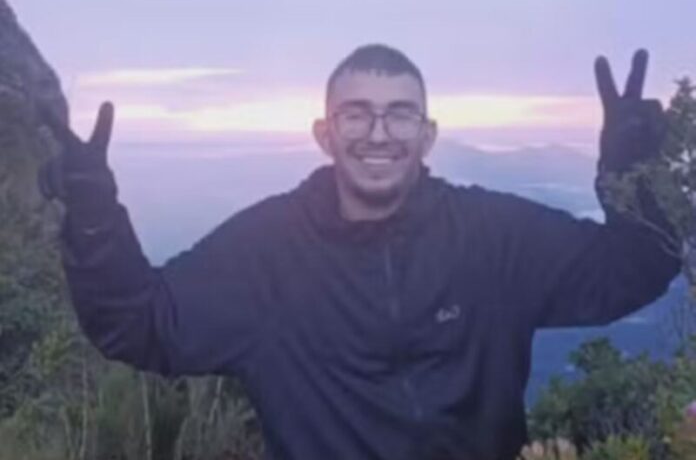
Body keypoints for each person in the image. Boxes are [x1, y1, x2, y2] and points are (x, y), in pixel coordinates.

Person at [37, 44, 680, 460]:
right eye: (356, 114)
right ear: (325, 133)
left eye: (400, 114)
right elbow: (139, 323)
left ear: (427, 134)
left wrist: (633, 178)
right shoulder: (266, 251)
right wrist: (95, 219)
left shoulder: (493, 235)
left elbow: (631, 271)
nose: (378, 133)